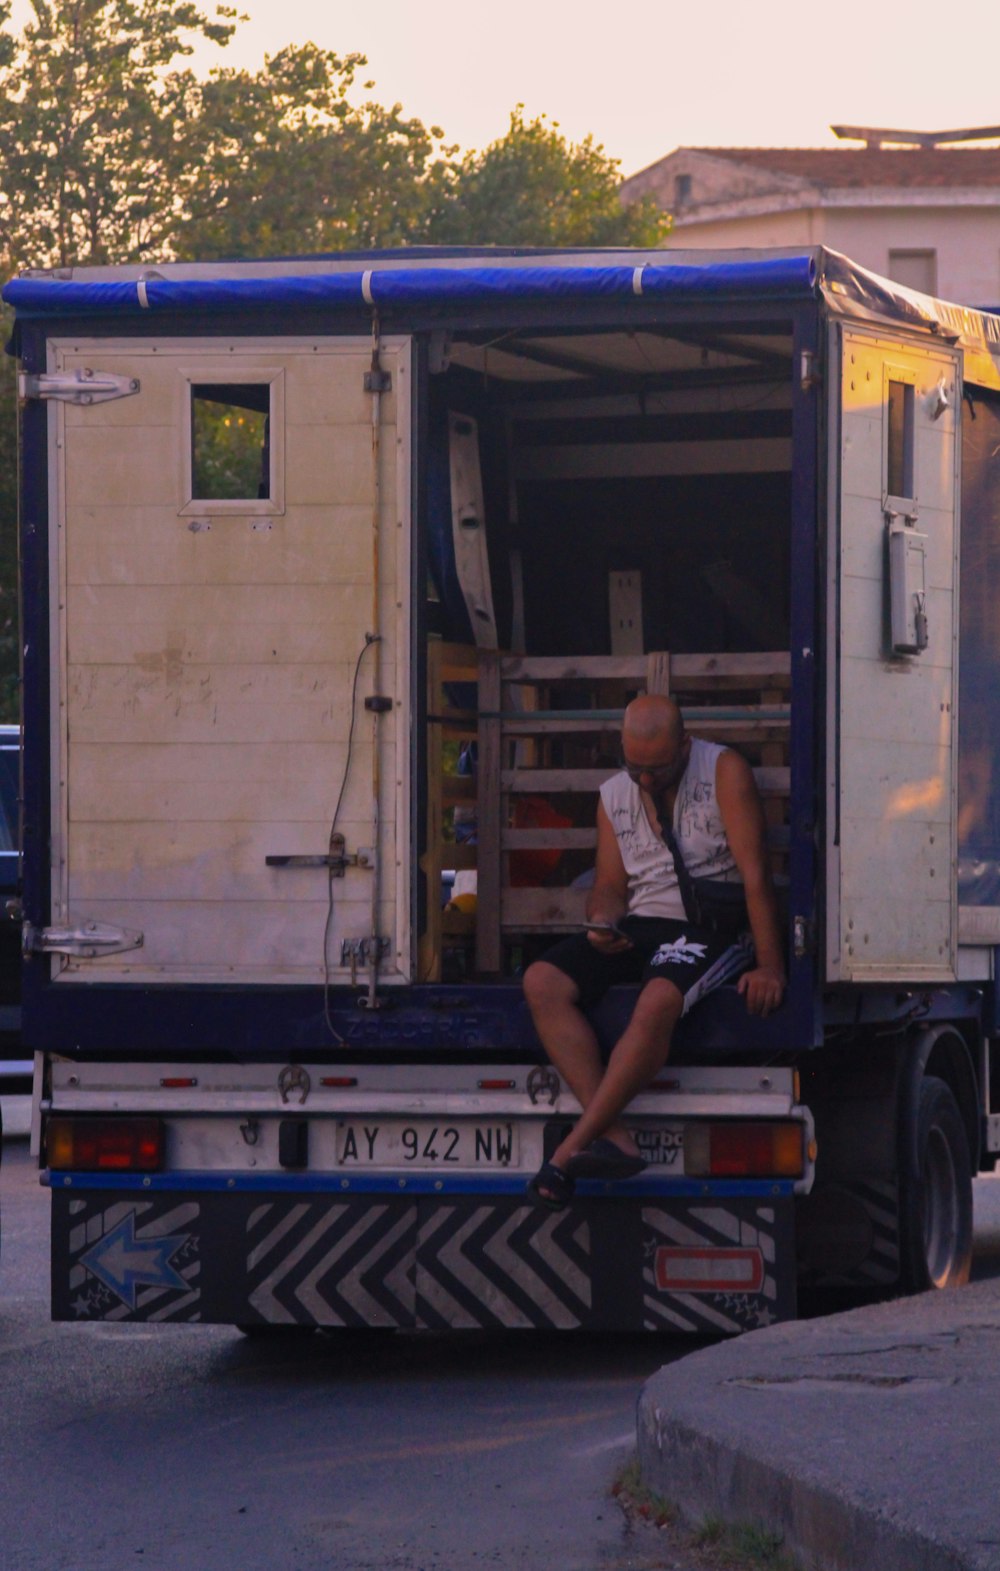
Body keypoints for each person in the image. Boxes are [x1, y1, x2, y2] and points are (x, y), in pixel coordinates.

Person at [523, 693, 786, 1208]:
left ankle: (568, 1153)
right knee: (541, 981)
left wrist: (771, 965)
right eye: (633, 767)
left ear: (684, 747)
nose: (644, 781)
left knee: (657, 1000)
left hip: (705, 927)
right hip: (642, 924)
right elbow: (608, 884)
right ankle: (616, 1135)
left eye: (657, 769)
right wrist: (602, 920)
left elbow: (756, 876)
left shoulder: (723, 771)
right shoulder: (614, 794)